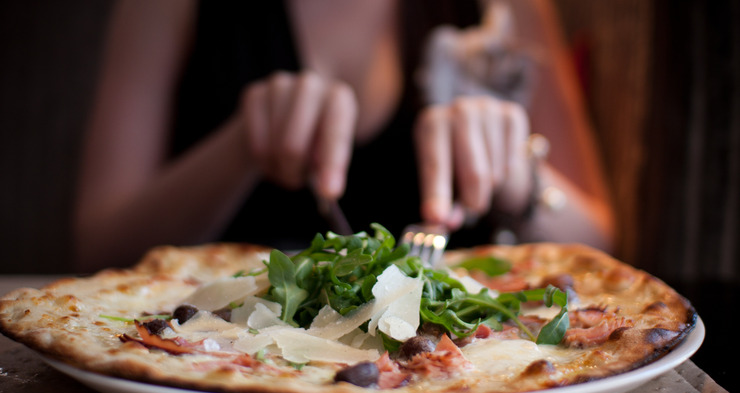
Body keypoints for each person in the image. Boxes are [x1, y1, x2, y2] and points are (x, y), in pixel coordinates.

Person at [73, 0, 615, 272]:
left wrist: (517, 176)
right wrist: (239, 150)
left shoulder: (507, 4)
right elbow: (95, 248)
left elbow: (603, 241)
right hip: (218, 359)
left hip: (463, 380)